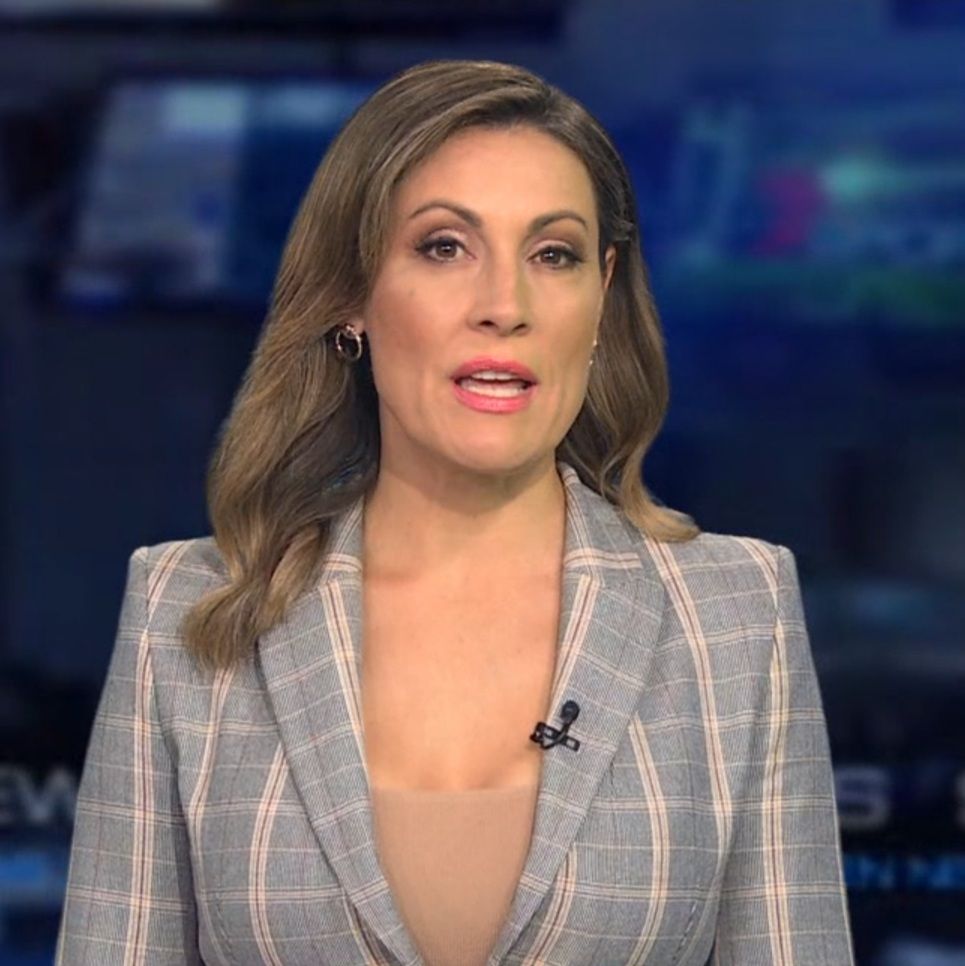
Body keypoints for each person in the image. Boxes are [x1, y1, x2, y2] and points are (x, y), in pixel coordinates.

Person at [55, 59, 855, 965]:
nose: (504, 307)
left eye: (551, 255)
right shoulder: (188, 607)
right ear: (352, 296)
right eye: (443, 247)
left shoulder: (735, 610)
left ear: (600, 295)